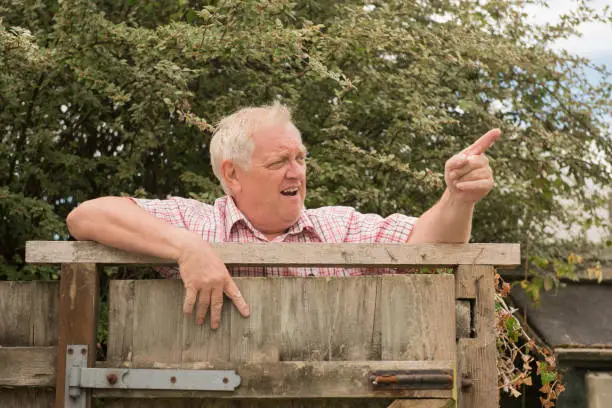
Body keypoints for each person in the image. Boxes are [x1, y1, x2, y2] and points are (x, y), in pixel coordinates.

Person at [67, 102, 499, 329]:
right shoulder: (200, 223)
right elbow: (86, 216)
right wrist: (186, 248)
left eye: (300, 158)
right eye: (279, 163)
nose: (296, 172)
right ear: (232, 175)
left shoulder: (340, 226)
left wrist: (457, 198)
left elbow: (428, 242)